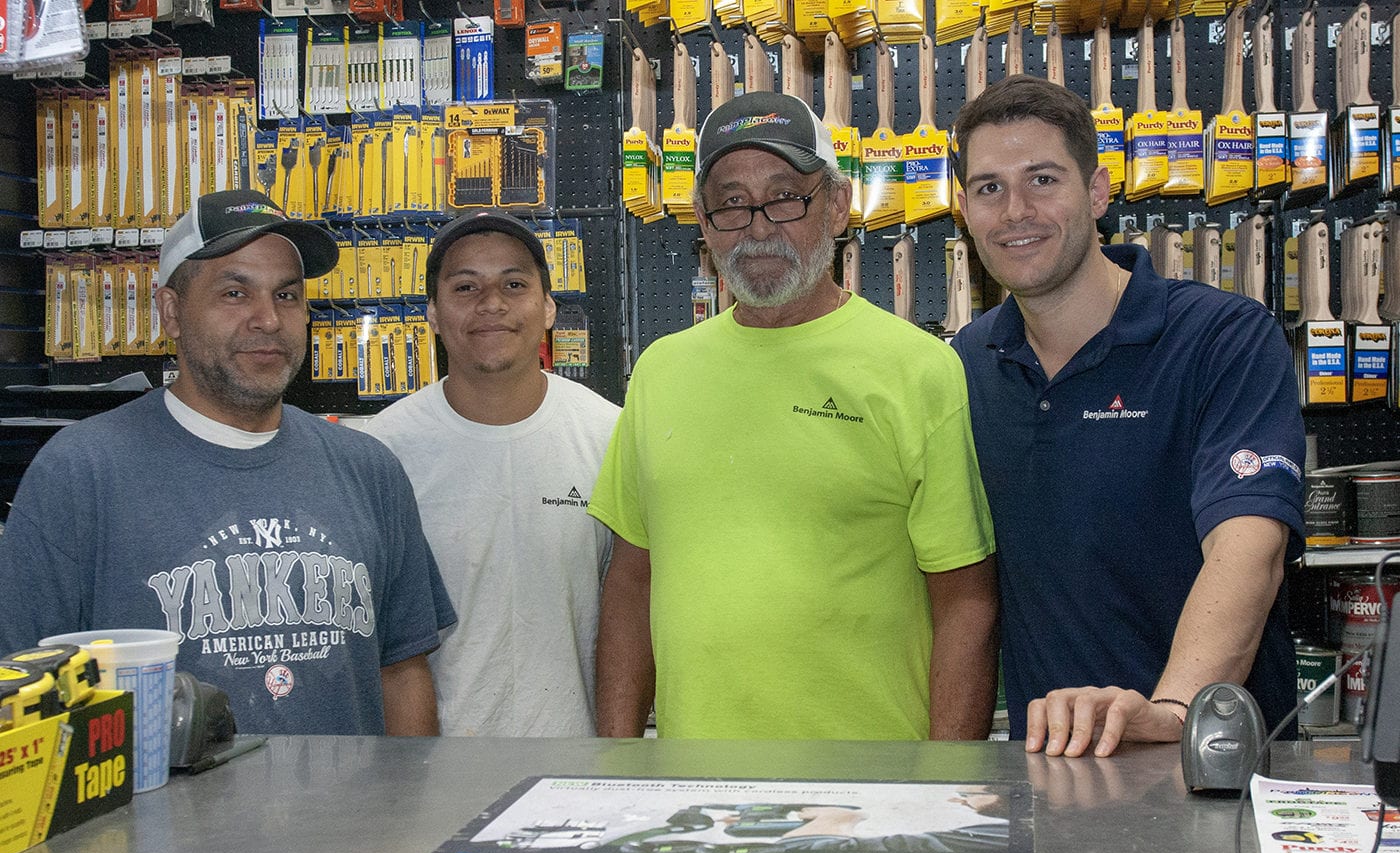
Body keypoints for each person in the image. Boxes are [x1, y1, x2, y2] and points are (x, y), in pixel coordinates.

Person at [587, 91, 999, 740]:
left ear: (836, 205)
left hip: (870, 782)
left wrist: (946, 780)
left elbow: (966, 600)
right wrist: (617, 763)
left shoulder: (919, 369)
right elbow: (631, 584)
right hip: (696, 782)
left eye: (785, 196)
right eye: (731, 202)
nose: (757, 227)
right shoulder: (660, 372)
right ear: (703, 222)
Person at [0, 189, 453, 736]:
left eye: (287, 295)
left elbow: (401, 672)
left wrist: (411, 792)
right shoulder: (79, 474)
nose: (268, 319)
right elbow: (24, 697)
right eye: (235, 293)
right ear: (171, 312)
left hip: (354, 796)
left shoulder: (369, 469)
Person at [949, 75, 1305, 758]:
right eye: (990, 188)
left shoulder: (1222, 337)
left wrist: (1173, 712)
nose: (1016, 210)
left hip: (1215, 769)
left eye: (1043, 179)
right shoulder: (967, 363)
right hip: (1051, 769)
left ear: (1098, 191)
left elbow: (1249, 550)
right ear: (964, 210)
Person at [365, 209, 620, 737]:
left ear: (548, 308)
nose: (491, 304)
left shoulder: (609, 435)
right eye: (466, 287)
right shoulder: (382, 452)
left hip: (575, 763)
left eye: (514, 284)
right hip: (434, 770)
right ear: (433, 314)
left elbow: (633, 613)